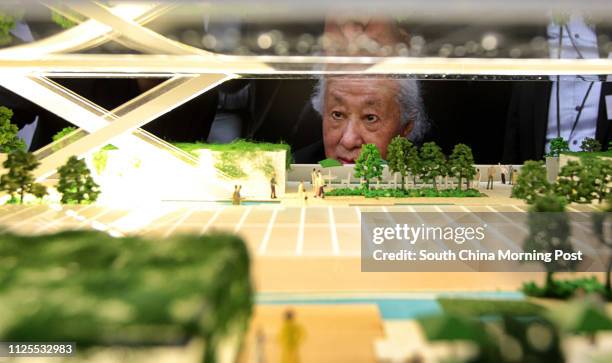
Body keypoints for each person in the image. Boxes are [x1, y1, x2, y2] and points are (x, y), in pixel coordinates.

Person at [503, 14, 612, 164]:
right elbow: (513, 131)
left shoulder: (605, 22)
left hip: (600, 175)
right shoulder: (526, 23)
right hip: (538, 175)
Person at [309, 77, 427, 164]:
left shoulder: (432, 174)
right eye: (338, 114)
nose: (348, 141)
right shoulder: (296, 168)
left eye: (370, 118)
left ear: (406, 127)